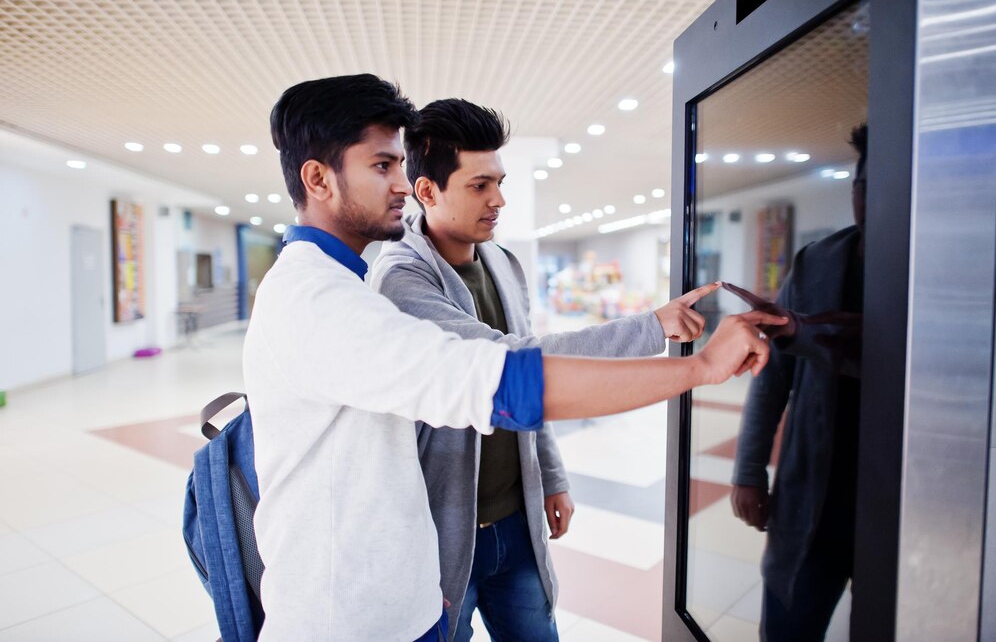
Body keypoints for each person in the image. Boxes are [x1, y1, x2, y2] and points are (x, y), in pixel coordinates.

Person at [245, 73, 784, 642]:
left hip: (404, 592)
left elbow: (516, 365)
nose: (402, 184)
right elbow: (503, 374)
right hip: (356, 613)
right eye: (383, 166)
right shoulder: (329, 299)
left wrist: (548, 475)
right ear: (317, 178)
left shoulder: (349, 285)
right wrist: (697, 367)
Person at [370, 97, 719, 642]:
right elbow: (513, 366)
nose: (499, 199)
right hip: (443, 531)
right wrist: (653, 329)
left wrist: (550, 477)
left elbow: (535, 390)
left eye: (499, 182)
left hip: (517, 519)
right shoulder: (400, 280)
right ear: (428, 191)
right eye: (480, 185)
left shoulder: (503, 262)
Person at [729, 124, 867, 640]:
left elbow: (885, 350)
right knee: (788, 621)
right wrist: (748, 471)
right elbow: (772, 377)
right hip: (812, 488)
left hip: (900, 499)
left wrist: (799, 329)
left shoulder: (947, 269)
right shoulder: (817, 262)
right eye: (865, 186)